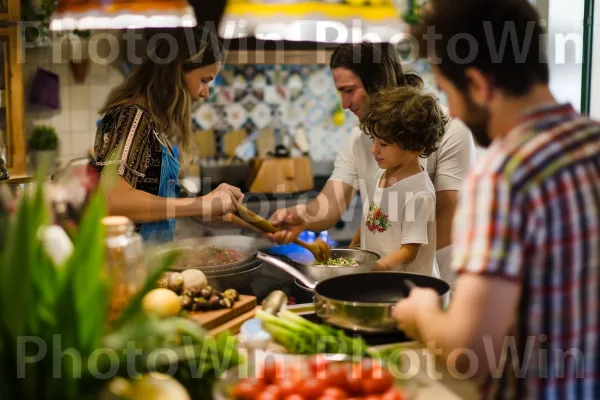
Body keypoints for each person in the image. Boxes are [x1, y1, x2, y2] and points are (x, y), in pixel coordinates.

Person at [392, 0, 600, 398]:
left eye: (448, 93)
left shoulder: (504, 175)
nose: (451, 111)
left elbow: (470, 352)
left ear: (478, 84)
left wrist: (421, 313)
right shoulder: (591, 139)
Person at [268, 42, 475, 286]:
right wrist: (300, 217)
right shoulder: (358, 139)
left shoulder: (449, 129)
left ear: (378, 83)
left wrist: (384, 262)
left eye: (349, 90)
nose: (345, 103)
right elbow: (331, 203)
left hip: (434, 283)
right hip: (381, 279)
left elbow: (451, 216)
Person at [94, 27, 244, 243]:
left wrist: (260, 228)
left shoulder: (151, 124)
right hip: (129, 267)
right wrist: (201, 204)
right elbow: (112, 201)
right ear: (176, 72)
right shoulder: (131, 117)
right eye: (204, 80)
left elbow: (168, 200)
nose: (205, 93)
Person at [350, 85, 447, 275]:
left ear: (416, 147)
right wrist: (352, 251)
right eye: (374, 140)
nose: (374, 149)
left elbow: (410, 251)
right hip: (382, 283)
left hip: (408, 288)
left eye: (383, 144)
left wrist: (379, 267)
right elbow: (368, 219)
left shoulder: (419, 193)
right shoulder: (381, 174)